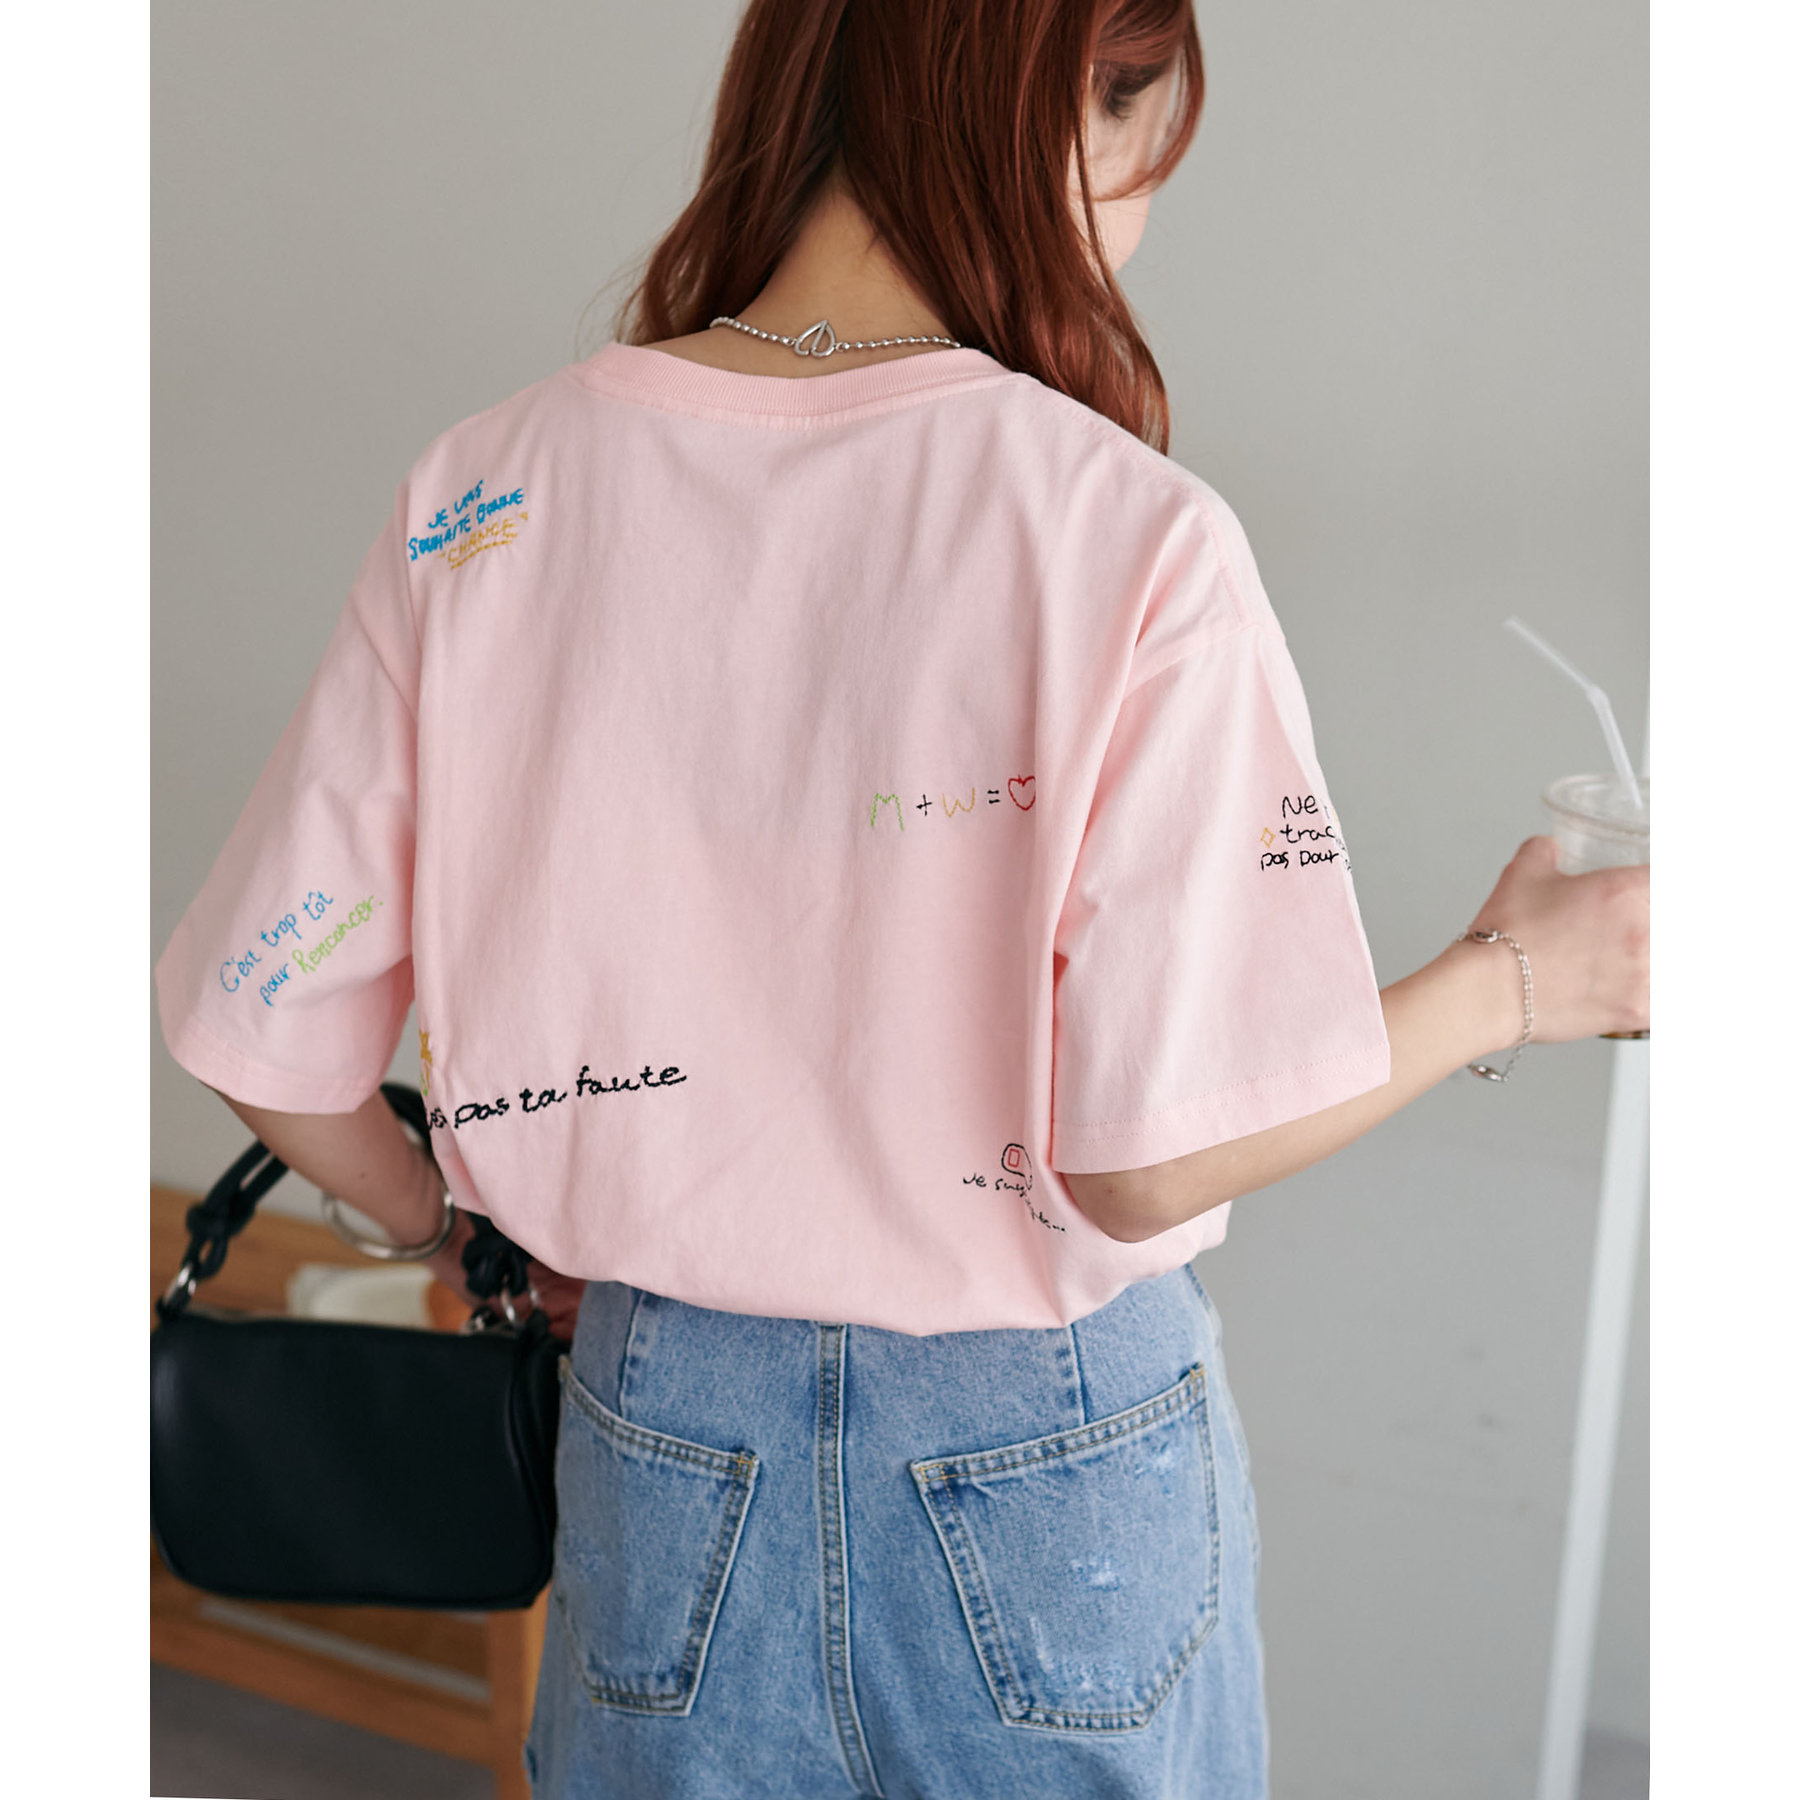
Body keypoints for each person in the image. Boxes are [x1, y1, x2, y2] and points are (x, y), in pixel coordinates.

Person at [153, 1, 1649, 1794]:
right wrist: (1516, 979)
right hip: (1051, 1458)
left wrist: (448, 1227)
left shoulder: (482, 498)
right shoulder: (1129, 534)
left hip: (661, 1428)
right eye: (1148, 145)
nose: (1145, 212)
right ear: (1068, 111)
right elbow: (1152, 1153)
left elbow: (265, 1025)